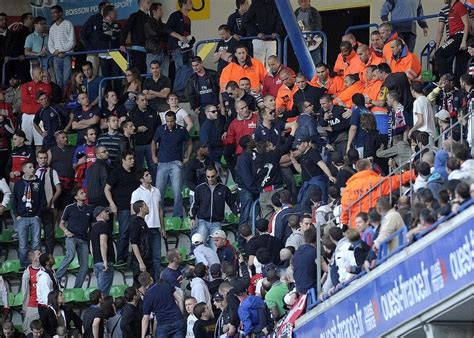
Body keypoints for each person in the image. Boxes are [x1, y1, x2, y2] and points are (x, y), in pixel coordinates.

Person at [341, 159, 414, 228]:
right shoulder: (376, 180)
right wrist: (413, 173)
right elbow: (397, 180)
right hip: (376, 220)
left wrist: (344, 222)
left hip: (358, 225)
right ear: (369, 167)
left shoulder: (348, 189)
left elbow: (345, 208)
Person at [152, 110, 192, 217]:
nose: (169, 123)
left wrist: (187, 157)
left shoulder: (182, 130)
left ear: (175, 120)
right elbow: (153, 142)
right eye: (167, 121)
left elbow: (190, 143)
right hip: (162, 163)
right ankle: (159, 216)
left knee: (177, 191)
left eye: (171, 121)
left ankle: (177, 216)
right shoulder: (160, 129)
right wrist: (153, 156)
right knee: (159, 192)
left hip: (176, 163)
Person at [191, 166, 239, 249]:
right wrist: (192, 217)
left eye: (212, 176)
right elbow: (195, 204)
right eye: (208, 177)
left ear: (217, 174)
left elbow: (231, 203)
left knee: (215, 250)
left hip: (217, 222)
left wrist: (238, 213)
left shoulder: (224, 189)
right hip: (203, 221)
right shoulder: (200, 188)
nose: (210, 179)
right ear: (205, 176)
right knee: (199, 248)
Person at [104, 151, 139, 264]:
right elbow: (107, 188)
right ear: (123, 160)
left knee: (136, 232)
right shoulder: (117, 172)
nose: (132, 160)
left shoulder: (135, 171)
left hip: (135, 206)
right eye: (130, 158)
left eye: (133, 158)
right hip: (123, 206)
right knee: (124, 232)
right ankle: (121, 258)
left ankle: (134, 257)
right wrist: (112, 204)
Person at [130, 169, 165, 282]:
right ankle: (148, 282)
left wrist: (162, 226)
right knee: (147, 257)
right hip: (144, 228)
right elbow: (133, 210)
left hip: (155, 227)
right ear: (141, 179)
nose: (150, 176)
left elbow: (160, 210)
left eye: (149, 174)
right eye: (146, 175)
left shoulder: (156, 191)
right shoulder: (136, 193)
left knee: (157, 258)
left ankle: (156, 281)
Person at [56, 187, 93, 288]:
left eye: (84, 192)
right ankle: (57, 277)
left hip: (84, 239)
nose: (84, 194)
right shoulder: (69, 207)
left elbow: (92, 225)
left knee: (85, 267)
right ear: (76, 197)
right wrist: (66, 231)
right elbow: (61, 224)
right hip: (71, 236)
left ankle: (77, 289)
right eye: (81, 193)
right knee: (70, 255)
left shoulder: (90, 208)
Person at [12, 161, 46, 268]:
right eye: (30, 167)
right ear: (24, 169)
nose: (33, 169)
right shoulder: (18, 184)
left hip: (34, 216)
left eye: (33, 167)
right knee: (23, 244)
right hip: (22, 217)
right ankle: (24, 265)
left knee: (36, 243)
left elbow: (43, 200)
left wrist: (38, 215)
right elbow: (14, 200)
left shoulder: (39, 182)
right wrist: (17, 215)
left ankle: (36, 264)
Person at [290, 137, 336, 212]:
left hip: (316, 182)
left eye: (299, 144)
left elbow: (321, 164)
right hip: (307, 183)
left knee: (304, 203)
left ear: (305, 144)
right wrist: (293, 160)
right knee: (302, 203)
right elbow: (301, 170)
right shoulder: (302, 156)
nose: (297, 147)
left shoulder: (313, 152)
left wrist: (330, 175)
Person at [128, 93, 161, 183]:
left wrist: (157, 142)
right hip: (137, 145)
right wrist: (137, 129)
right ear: (137, 101)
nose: (145, 102)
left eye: (146, 100)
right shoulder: (131, 113)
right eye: (142, 100)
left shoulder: (154, 112)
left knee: (153, 168)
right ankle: (140, 190)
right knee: (138, 169)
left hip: (151, 144)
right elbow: (127, 128)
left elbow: (159, 129)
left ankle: (154, 190)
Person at [140, 271, 186, 337]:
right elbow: (179, 299)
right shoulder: (166, 285)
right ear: (151, 278)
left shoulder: (147, 296)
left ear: (142, 285)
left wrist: (142, 336)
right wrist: (181, 315)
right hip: (177, 319)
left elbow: (145, 318)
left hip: (163, 324)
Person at [434, 0, 470, 80]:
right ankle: (456, 83)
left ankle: (447, 79)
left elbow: (466, 24)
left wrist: (463, 41)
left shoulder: (459, 6)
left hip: (459, 36)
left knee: (439, 54)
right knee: (460, 63)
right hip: (455, 36)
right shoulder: (451, 8)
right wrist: (450, 37)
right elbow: (455, 26)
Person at [242, 0, 283, 67]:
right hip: (259, 40)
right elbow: (246, 21)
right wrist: (257, 33)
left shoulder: (276, 4)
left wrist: (277, 32)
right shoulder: (256, 4)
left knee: (272, 66)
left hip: (272, 40)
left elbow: (280, 20)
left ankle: (270, 78)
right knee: (258, 66)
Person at [36, 150, 61, 255]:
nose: (43, 160)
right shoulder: (34, 172)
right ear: (37, 159)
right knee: (36, 234)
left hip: (48, 207)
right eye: (41, 158)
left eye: (45, 157)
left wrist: (51, 202)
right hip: (36, 208)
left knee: (49, 234)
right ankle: (37, 257)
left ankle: (49, 256)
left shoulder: (52, 172)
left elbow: (59, 189)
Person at [166, 0, 194, 96]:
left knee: (189, 68)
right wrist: (180, 37)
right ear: (183, 4)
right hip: (177, 48)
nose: (192, 4)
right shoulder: (175, 15)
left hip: (187, 48)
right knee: (182, 68)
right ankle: (177, 92)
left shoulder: (188, 19)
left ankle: (185, 91)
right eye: (190, 2)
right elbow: (167, 28)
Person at [20, 67, 52, 149]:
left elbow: (44, 100)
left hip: (39, 115)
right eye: (40, 73)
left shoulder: (47, 86)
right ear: (34, 74)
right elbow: (25, 98)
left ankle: (39, 161)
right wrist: (37, 100)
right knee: (25, 143)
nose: (43, 74)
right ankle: (27, 161)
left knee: (40, 143)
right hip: (26, 116)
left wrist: (33, 98)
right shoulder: (25, 86)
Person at [186, 56, 220, 124]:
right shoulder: (192, 79)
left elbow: (220, 89)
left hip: (216, 107)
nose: (195, 68)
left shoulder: (213, 74)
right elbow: (191, 95)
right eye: (193, 66)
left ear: (201, 63)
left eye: (197, 65)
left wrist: (221, 103)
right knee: (204, 131)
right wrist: (194, 108)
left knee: (218, 130)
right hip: (202, 109)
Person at [120, 0, 151, 74]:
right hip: (137, 51)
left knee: (147, 74)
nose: (150, 4)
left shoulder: (149, 18)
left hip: (149, 51)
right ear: (141, 4)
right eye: (148, 3)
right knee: (138, 74)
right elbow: (125, 29)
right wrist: (122, 43)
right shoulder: (134, 16)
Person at [48, 5, 75, 88]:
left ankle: (67, 98)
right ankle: (61, 99)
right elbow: (50, 44)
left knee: (67, 79)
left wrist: (60, 51)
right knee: (58, 80)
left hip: (67, 56)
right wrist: (54, 52)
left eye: (54, 13)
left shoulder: (68, 24)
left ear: (60, 13)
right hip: (56, 57)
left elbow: (72, 42)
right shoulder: (52, 28)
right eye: (51, 13)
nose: (52, 15)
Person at [90, 206, 115, 295]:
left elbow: (91, 246)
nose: (108, 213)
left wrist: (94, 261)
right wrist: (105, 261)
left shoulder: (93, 228)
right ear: (100, 214)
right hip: (104, 262)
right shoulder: (104, 225)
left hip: (97, 263)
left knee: (101, 291)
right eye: (106, 212)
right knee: (103, 294)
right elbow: (103, 243)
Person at [80, 1, 110, 71]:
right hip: (93, 53)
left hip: (106, 53)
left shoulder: (111, 20)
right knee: (91, 74)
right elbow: (82, 33)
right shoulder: (94, 19)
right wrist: (89, 48)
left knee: (103, 75)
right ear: (103, 9)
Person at [129, 200, 153, 285]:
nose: (148, 207)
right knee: (139, 285)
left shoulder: (143, 222)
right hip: (140, 260)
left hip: (146, 258)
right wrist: (140, 262)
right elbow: (134, 243)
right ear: (141, 208)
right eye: (146, 205)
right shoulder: (135, 222)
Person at [295, 0, 323, 66]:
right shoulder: (297, 12)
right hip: (301, 39)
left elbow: (318, 25)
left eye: (306, 1)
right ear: (299, 3)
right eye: (302, 1)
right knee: (302, 64)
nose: (304, 3)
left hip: (312, 38)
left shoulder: (314, 11)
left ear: (309, 1)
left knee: (315, 63)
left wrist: (315, 38)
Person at [144, 2, 169, 75]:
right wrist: (165, 32)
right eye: (160, 10)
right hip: (154, 52)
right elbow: (155, 34)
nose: (162, 12)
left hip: (163, 52)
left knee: (164, 76)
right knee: (152, 76)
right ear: (154, 11)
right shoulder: (148, 24)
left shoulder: (163, 25)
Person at [21, 249, 41, 334]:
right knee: (29, 331)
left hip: (45, 305)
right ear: (33, 258)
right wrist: (24, 308)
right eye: (39, 254)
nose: (41, 255)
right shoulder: (27, 273)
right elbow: (24, 292)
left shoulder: (46, 270)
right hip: (32, 305)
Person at [36, 253, 59, 320]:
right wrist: (54, 311)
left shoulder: (51, 271)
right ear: (47, 262)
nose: (54, 258)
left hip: (53, 305)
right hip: (47, 308)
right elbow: (46, 298)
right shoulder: (44, 277)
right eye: (51, 258)